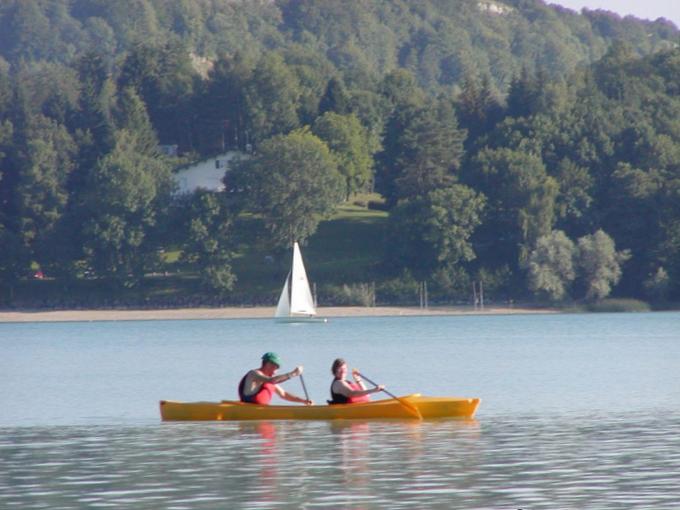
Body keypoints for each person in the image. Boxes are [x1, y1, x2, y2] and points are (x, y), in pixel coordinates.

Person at [238, 352, 313, 405]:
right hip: (249, 406)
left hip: (260, 408)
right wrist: (293, 373)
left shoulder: (268, 380)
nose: (276, 371)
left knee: (271, 385)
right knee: (271, 383)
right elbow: (271, 380)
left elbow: (283, 394)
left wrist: (303, 401)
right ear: (268, 364)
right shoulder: (253, 374)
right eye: (276, 367)